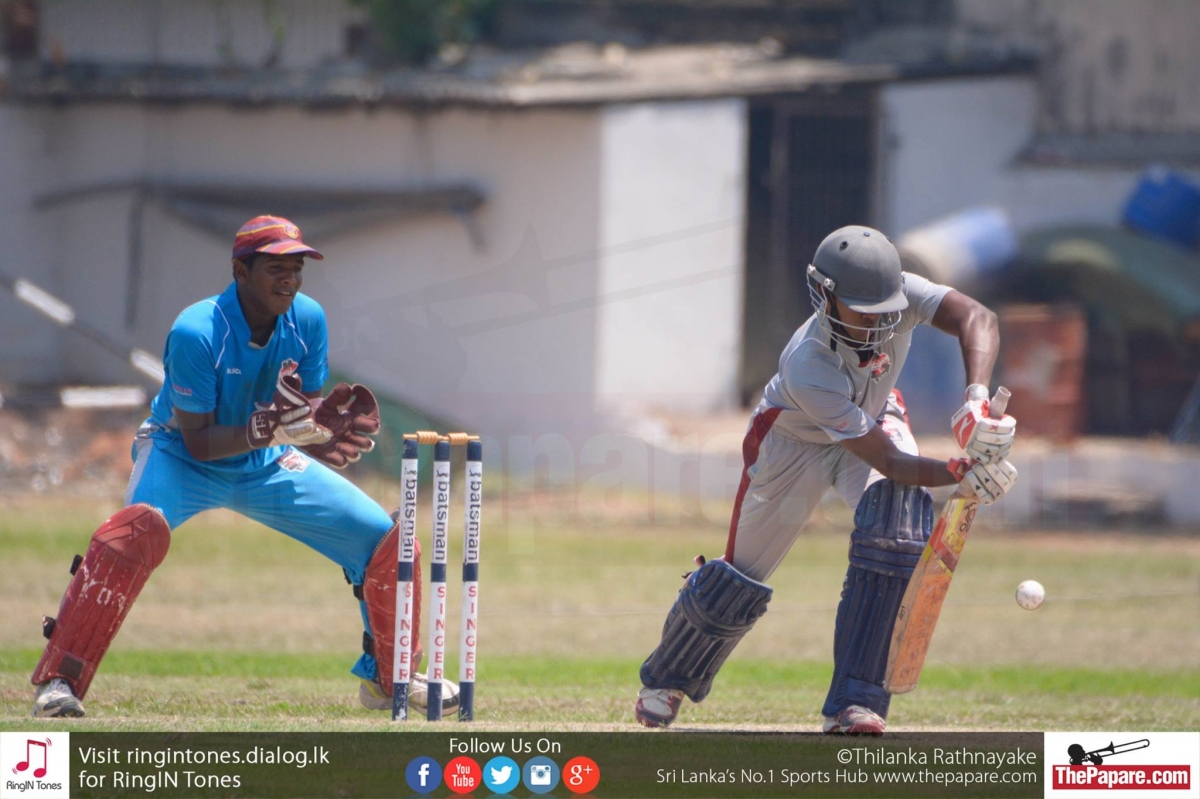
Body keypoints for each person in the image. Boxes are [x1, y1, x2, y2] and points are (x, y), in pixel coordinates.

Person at [30, 215, 457, 718]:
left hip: (266, 462)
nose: (290, 280)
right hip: (180, 455)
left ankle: (393, 681)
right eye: (276, 268)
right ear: (240, 271)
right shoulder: (196, 331)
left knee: (386, 543)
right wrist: (273, 430)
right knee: (132, 535)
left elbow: (299, 410)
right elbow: (199, 441)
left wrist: (315, 434)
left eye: (297, 268)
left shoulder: (307, 319)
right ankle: (58, 682)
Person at [634, 225, 1017, 734]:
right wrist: (959, 474)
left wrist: (976, 401)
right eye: (863, 311)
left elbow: (978, 317)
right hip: (794, 441)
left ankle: (856, 703)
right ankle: (666, 679)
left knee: (897, 530)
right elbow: (890, 462)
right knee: (738, 582)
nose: (877, 323)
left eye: (885, 310)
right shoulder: (807, 364)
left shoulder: (900, 294)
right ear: (826, 296)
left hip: (874, 419)